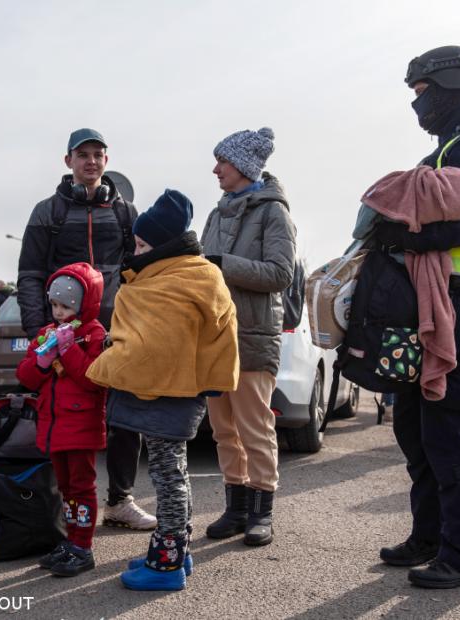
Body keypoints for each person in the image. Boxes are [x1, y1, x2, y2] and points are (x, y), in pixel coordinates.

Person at [373, 46, 460, 588]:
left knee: (453, 433)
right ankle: (428, 536)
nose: (417, 104)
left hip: (459, 309)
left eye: (421, 92)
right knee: (418, 429)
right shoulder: (451, 147)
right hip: (430, 307)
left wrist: (412, 234)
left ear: (450, 85)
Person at [86, 189, 240, 591]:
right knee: (175, 471)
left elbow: (155, 347)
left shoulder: (175, 279)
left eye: (142, 243)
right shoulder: (199, 273)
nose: (136, 250)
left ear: (164, 244)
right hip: (184, 390)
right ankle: (176, 548)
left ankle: (167, 564)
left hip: (164, 391)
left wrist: (106, 357)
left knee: (166, 475)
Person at [16, 128, 155, 530]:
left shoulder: (126, 212)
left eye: (98, 154)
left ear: (106, 161)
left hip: (117, 332)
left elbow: (142, 272)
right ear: (68, 162)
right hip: (65, 339)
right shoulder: (49, 212)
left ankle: (120, 501)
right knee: (68, 421)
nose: (91, 161)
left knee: (126, 417)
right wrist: (37, 330)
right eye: (83, 155)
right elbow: (29, 274)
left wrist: (142, 323)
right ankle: (64, 504)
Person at [200, 126, 296, 547]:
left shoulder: (274, 212)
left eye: (222, 161)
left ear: (243, 165)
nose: (216, 169)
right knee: (223, 429)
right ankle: (236, 508)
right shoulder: (216, 212)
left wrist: (223, 264)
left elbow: (280, 274)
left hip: (253, 336)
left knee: (255, 427)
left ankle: (262, 512)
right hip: (215, 338)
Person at [16, 262, 107, 577]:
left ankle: (83, 546)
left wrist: (68, 350)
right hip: (53, 426)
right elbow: (26, 377)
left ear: (84, 304)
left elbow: (94, 379)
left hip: (81, 426)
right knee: (66, 489)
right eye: (54, 304)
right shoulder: (46, 333)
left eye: (66, 305)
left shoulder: (93, 334)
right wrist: (42, 362)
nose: (58, 311)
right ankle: (72, 540)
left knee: (82, 487)